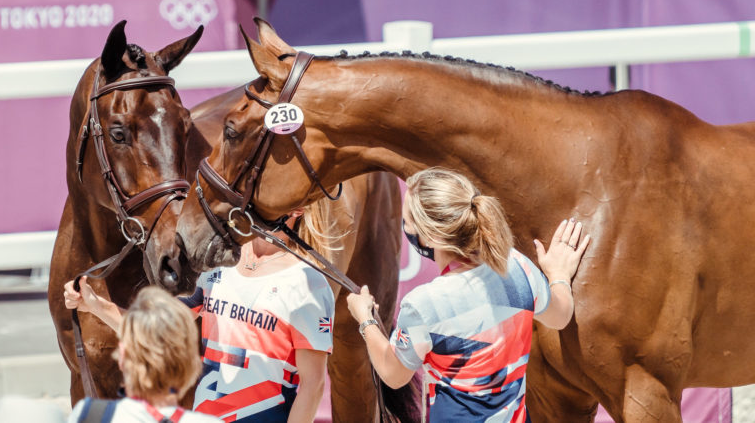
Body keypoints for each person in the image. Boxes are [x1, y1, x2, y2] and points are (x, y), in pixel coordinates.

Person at [346, 167, 590, 423]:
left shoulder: (423, 304)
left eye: (407, 221)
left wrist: (365, 320)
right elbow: (560, 316)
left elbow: (394, 374)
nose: (405, 227)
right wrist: (558, 275)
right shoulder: (517, 266)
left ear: (430, 237)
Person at [65, 206, 336, 422]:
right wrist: (95, 305)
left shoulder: (308, 282)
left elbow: (313, 387)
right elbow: (154, 334)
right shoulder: (222, 260)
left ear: (297, 209)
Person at [65, 286, 218, 423]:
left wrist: (97, 305)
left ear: (122, 357)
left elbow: (154, 331)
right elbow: (161, 330)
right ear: (192, 364)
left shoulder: (89, 415)